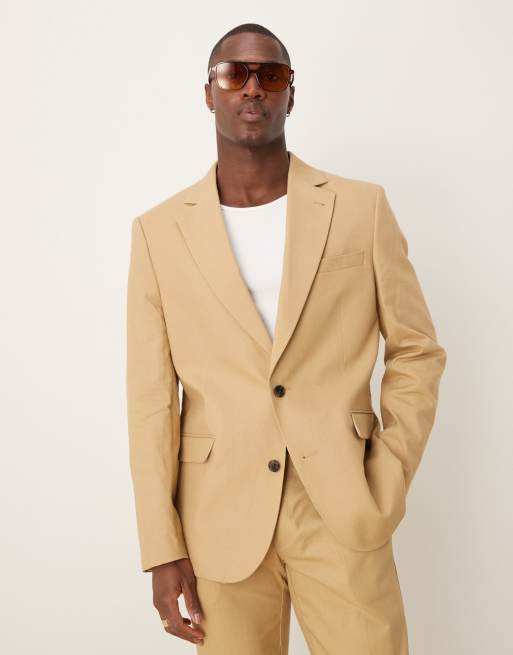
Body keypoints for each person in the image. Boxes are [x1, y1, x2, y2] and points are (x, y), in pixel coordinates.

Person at [126, 22, 447, 654]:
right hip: (219, 519)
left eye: (270, 75)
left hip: (342, 504)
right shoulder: (159, 233)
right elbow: (151, 402)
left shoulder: (361, 208)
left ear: (291, 95)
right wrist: (161, 546)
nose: (253, 88)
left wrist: (386, 477)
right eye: (234, 74)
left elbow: (416, 350)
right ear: (209, 93)